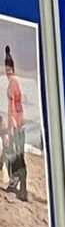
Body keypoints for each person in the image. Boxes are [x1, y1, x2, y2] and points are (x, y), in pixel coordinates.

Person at [1, 47, 26, 203]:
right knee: (15, 154)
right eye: (6, 70)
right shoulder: (12, 82)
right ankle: (18, 186)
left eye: (9, 69)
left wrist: (14, 124)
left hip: (16, 122)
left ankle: (16, 183)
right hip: (15, 121)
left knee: (15, 155)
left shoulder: (13, 83)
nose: (8, 72)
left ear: (13, 69)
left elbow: (15, 105)